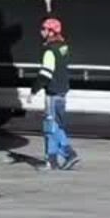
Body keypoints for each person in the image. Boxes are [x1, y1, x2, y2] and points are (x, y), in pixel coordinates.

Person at [27, 16, 78, 171]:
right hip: (62, 92)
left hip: (53, 93)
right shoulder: (63, 47)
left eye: (43, 29)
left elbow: (45, 74)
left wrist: (33, 91)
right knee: (57, 126)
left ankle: (68, 154)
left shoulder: (50, 50)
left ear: (50, 32)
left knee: (50, 127)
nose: (41, 31)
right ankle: (52, 161)